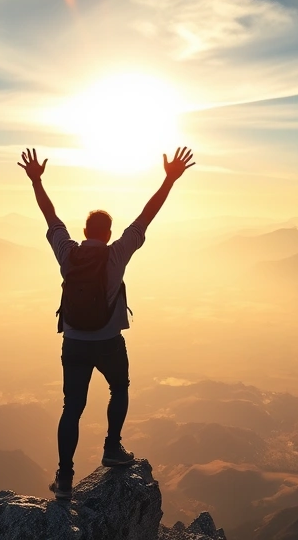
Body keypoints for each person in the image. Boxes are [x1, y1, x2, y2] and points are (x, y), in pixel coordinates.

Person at [18, 146, 196, 500]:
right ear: (109, 232)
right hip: (109, 342)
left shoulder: (67, 252)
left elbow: (50, 216)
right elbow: (146, 216)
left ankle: (64, 478)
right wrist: (169, 180)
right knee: (120, 388)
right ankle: (112, 448)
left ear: (84, 230)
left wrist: (36, 181)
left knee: (72, 407)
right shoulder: (117, 253)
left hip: (73, 342)